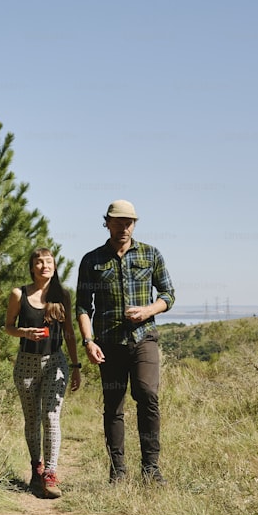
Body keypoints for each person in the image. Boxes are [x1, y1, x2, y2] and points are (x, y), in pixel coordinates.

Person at [75, 200, 175, 485]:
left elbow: (168, 295)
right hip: (108, 343)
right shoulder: (91, 260)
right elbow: (83, 307)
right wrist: (88, 341)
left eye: (129, 222)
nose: (124, 227)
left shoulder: (151, 254)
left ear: (135, 224)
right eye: (118, 222)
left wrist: (147, 311)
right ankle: (118, 471)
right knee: (113, 405)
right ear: (107, 222)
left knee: (147, 395)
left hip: (144, 338)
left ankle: (151, 469)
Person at [4, 247, 82, 499]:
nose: (44, 266)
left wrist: (76, 365)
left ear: (55, 266)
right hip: (26, 363)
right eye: (39, 262)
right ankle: (36, 468)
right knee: (32, 419)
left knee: (50, 416)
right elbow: (7, 327)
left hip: (55, 362)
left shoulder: (62, 296)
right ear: (31, 267)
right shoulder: (19, 294)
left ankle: (50, 473)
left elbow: (69, 332)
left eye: (48, 262)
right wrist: (24, 332)